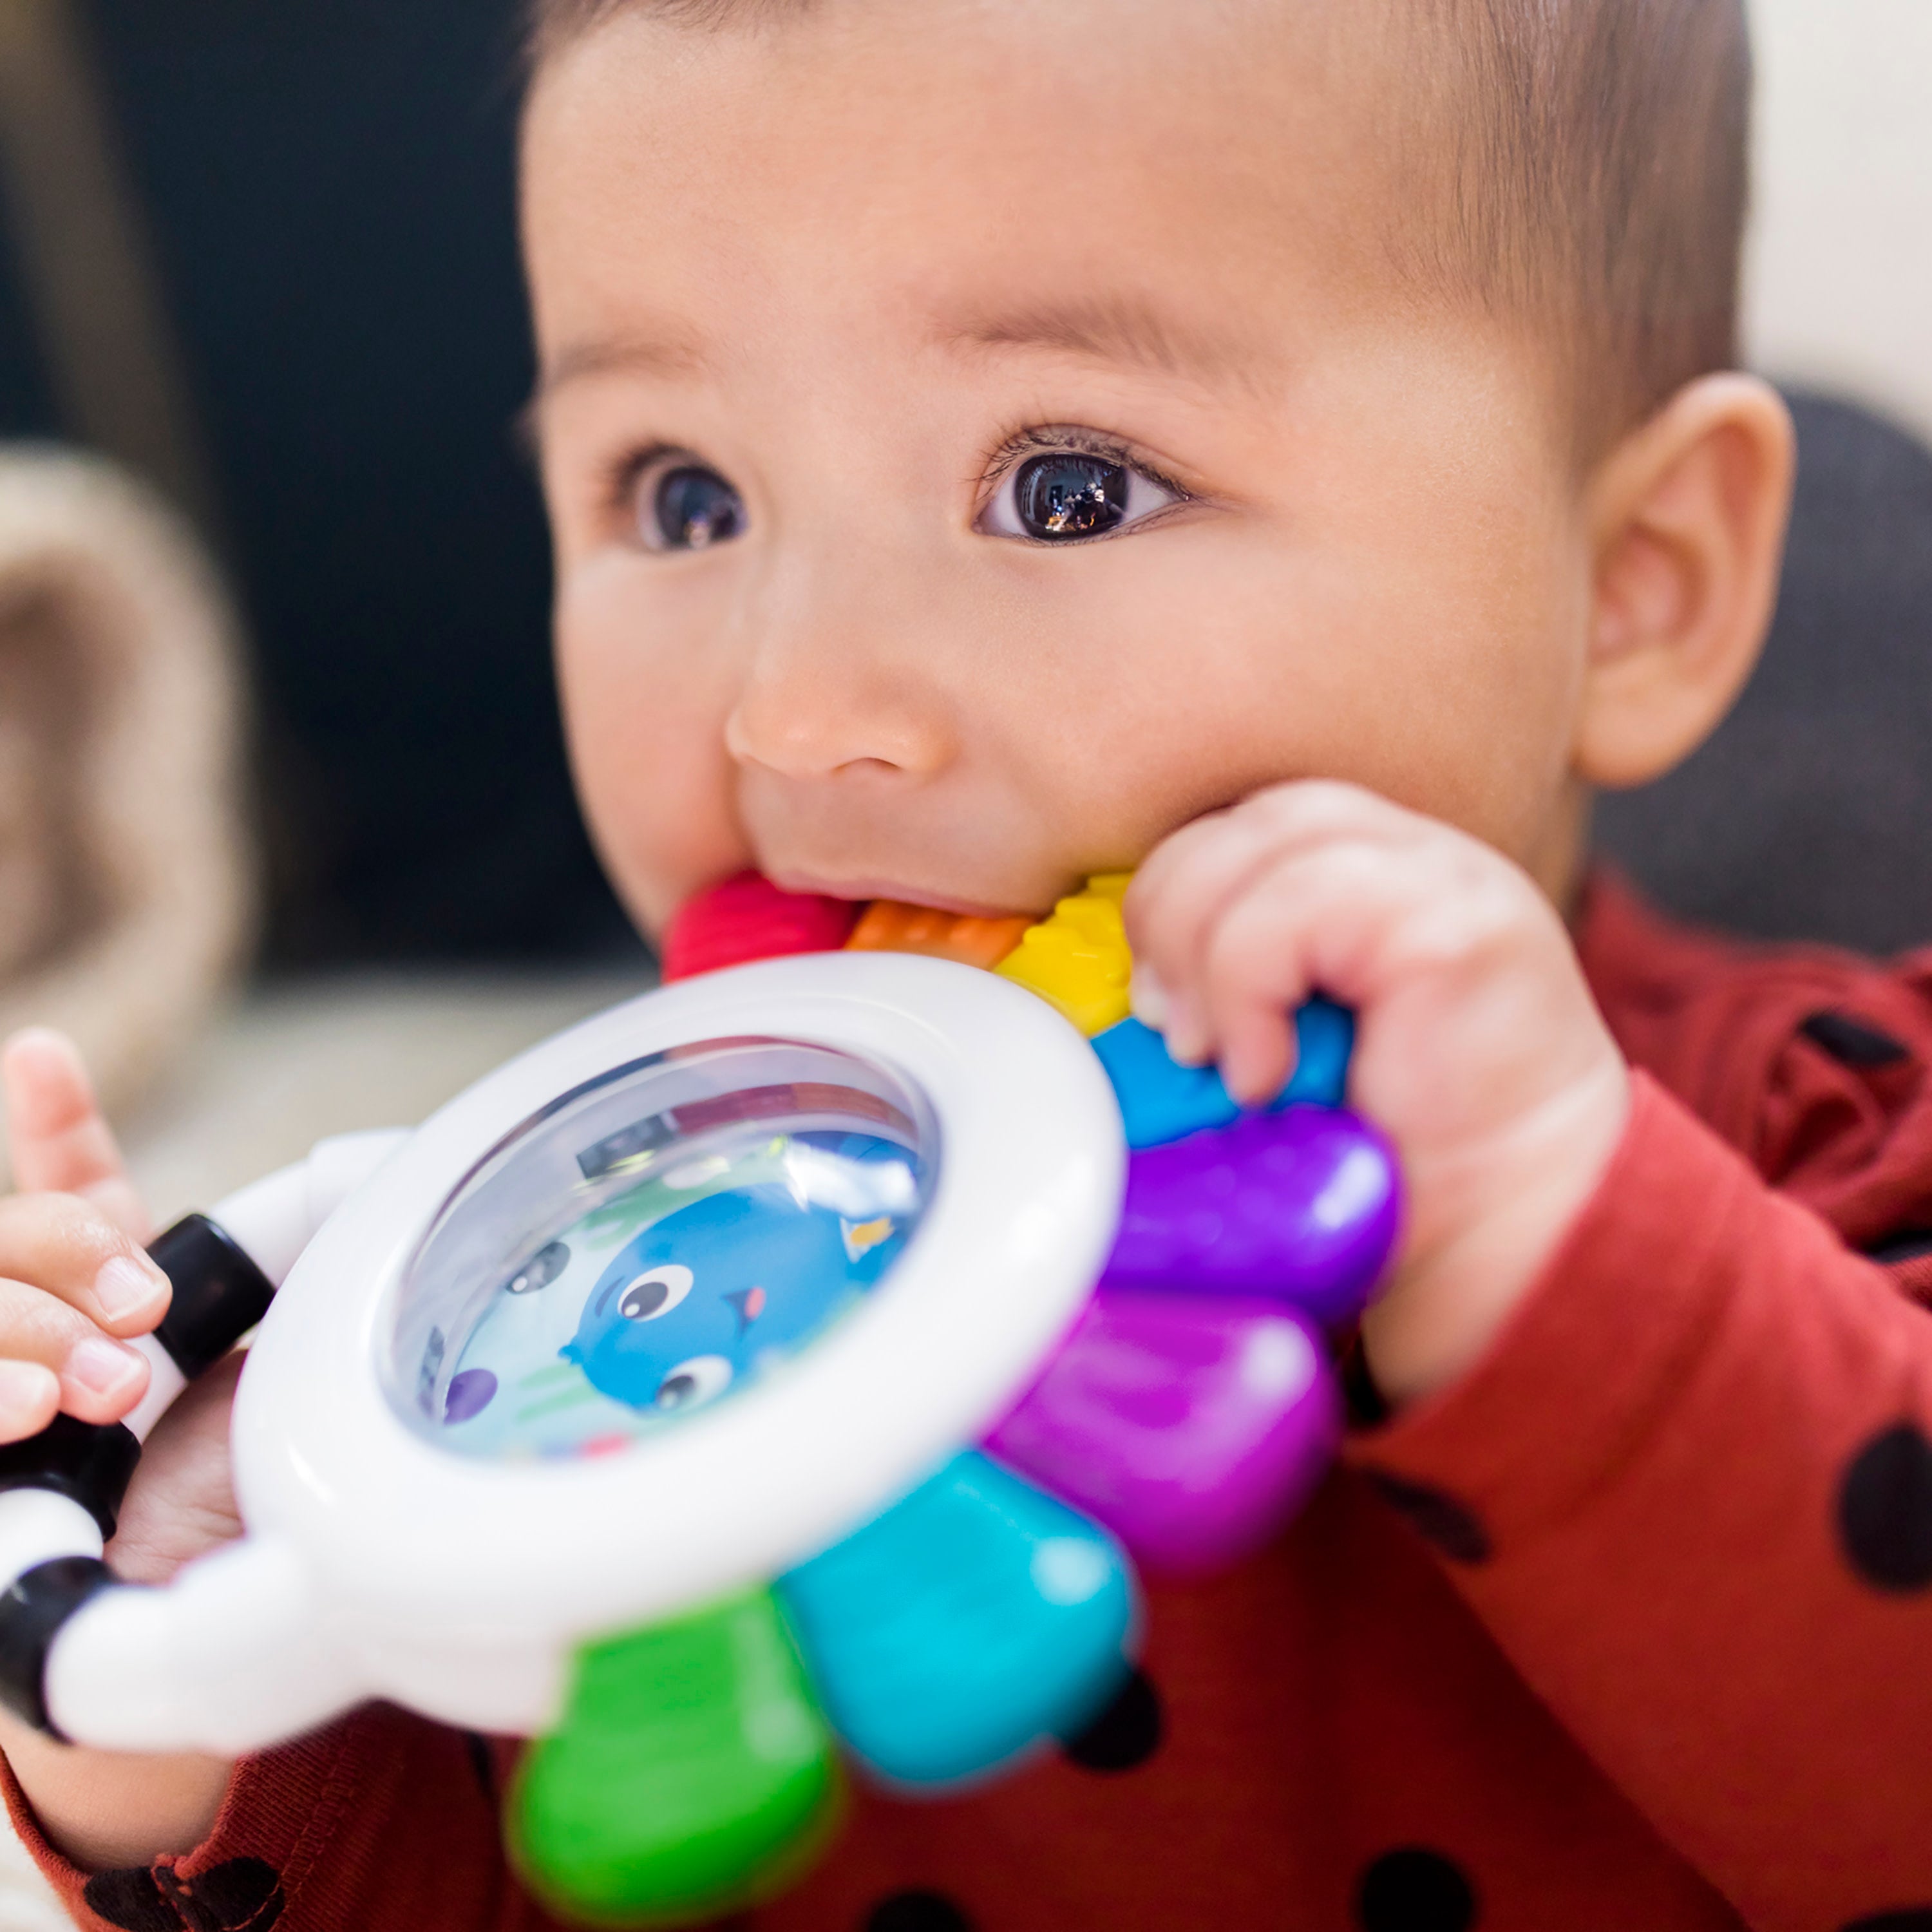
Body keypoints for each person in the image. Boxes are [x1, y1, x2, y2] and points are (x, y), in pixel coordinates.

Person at [2, 1, 1929, 1926]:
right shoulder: (621, 1293)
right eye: (683, 496)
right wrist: (200, 1677)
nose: (797, 709)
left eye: (1069, 486)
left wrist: (1559, 1245)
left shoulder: (1840, 1135)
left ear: (1636, 585)